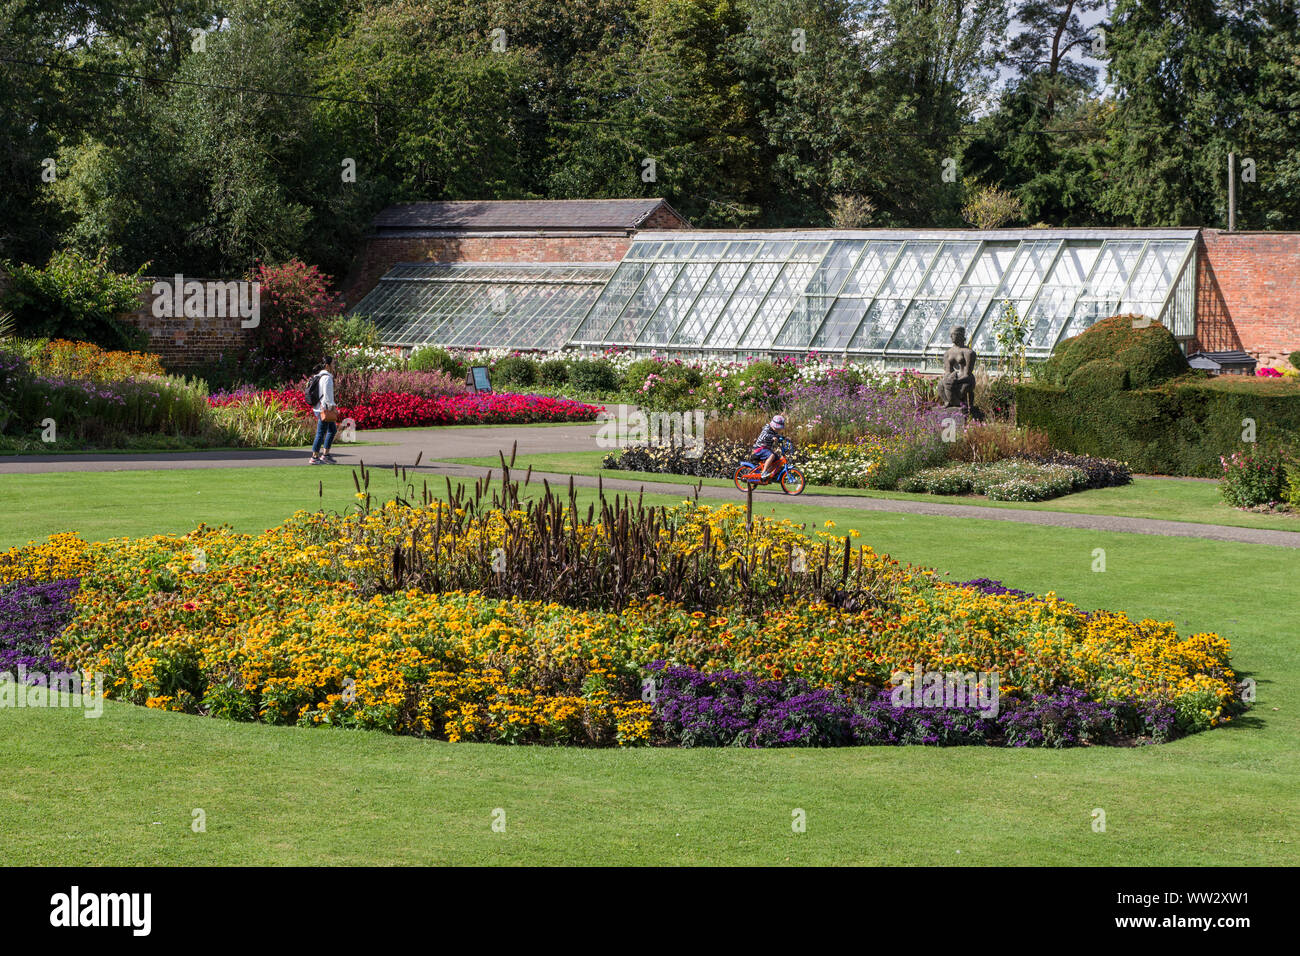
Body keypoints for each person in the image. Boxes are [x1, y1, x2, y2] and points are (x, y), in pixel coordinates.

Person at [308, 356, 338, 465]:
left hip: (317, 407)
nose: (334, 366)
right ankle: (314, 457)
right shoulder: (327, 378)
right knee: (321, 433)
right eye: (333, 364)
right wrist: (333, 407)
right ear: (327, 365)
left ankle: (325, 455)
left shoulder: (319, 376)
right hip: (324, 409)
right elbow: (327, 396)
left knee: (332, 430)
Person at [752, 414, 787, 481]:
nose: (778, 430)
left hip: (766, 449)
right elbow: (764, 435)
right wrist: (772, 437)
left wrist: (785, 438)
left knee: (778, 461)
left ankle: (767, 474)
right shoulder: (767, 428)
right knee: (772, 455)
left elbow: (778, 436)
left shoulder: (774, 431)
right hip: (759, 448)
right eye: (777, 428)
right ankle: (764, 473)